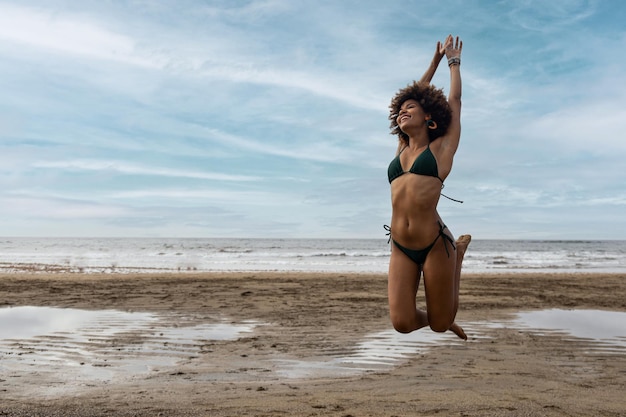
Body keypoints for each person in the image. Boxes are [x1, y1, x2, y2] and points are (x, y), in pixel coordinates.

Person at [386, 35, 470, 340]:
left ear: (429, 119)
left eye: (411, 108)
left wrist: (452, 63)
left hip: (434, 243)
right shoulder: (401, 148)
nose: (402, 112)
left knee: (439, 323)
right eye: (400, 110)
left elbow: (455, 103)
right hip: (401, 245)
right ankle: (441, 313)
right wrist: (431, 62)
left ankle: (456, 256)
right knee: (403, 322)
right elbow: (415, 94)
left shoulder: (440, 151)